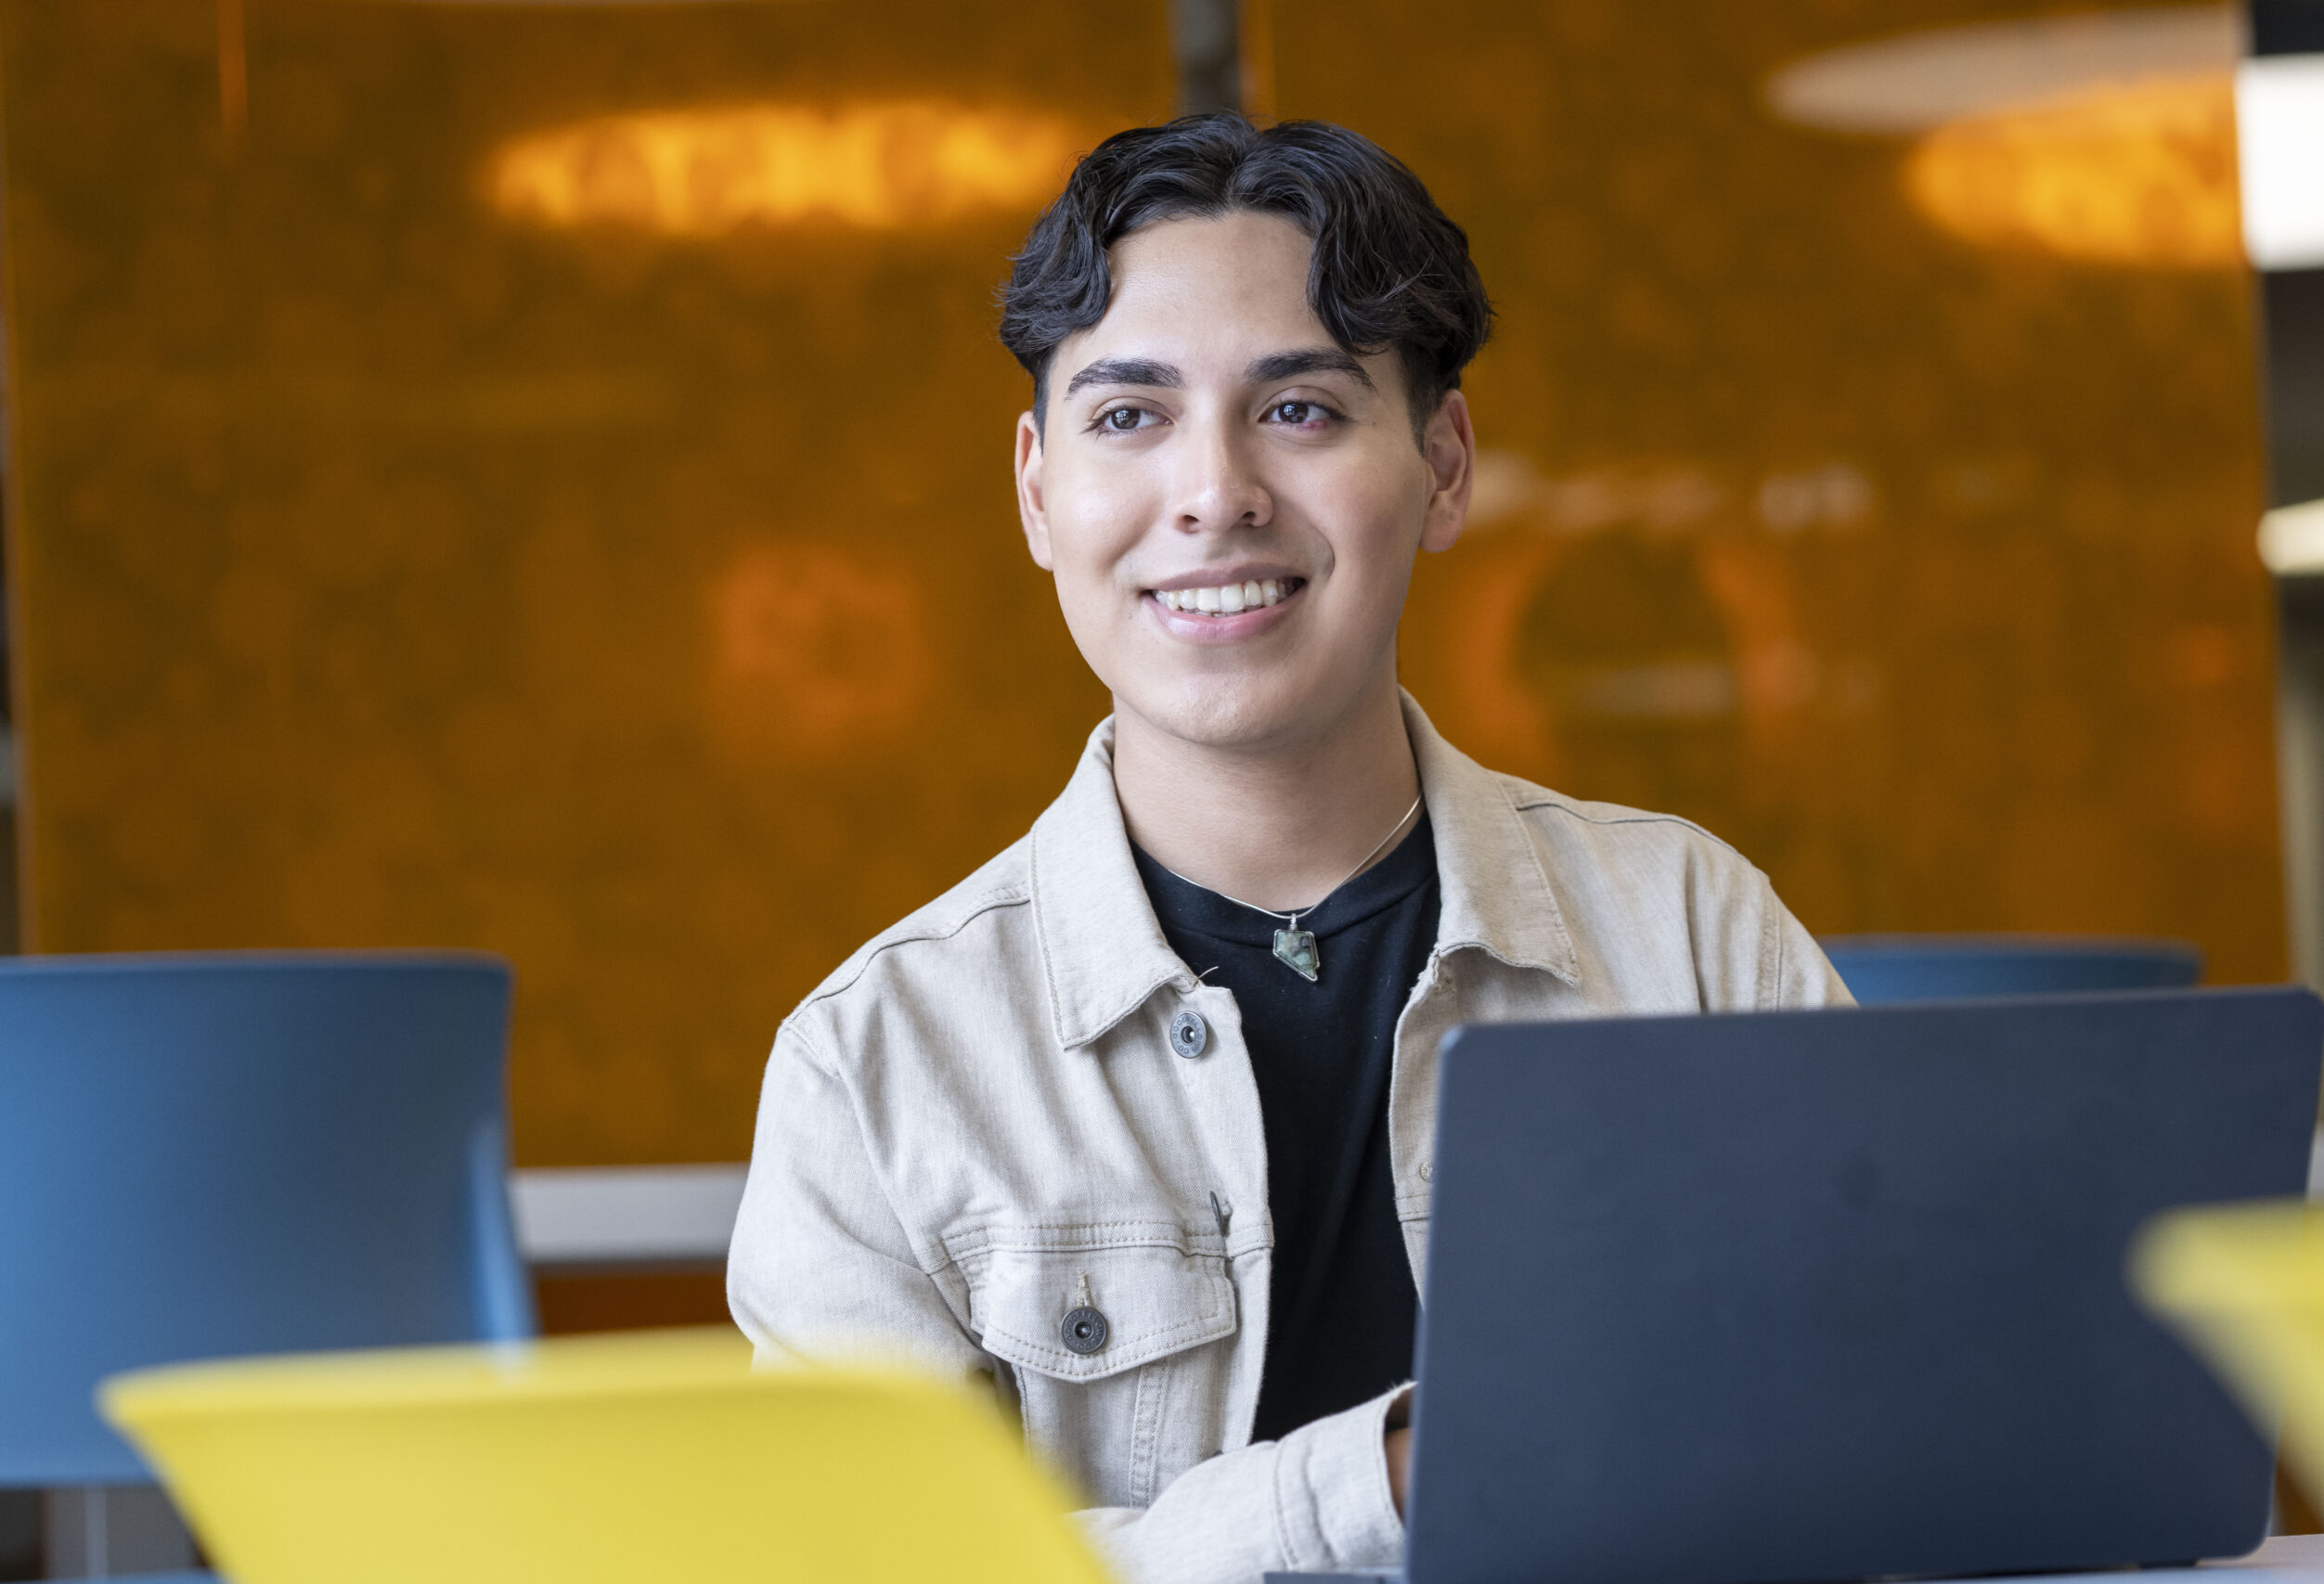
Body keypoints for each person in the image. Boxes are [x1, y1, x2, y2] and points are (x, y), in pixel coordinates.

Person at [727, 113, 1851, 1584]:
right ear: (1036, 491)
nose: (1216, 494)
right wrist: (1384, 1480)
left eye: (1301, 410)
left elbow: (1863, 1434)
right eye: (1130, 417)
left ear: (1444, 465)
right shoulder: (876, 1064)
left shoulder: (1694, 933)